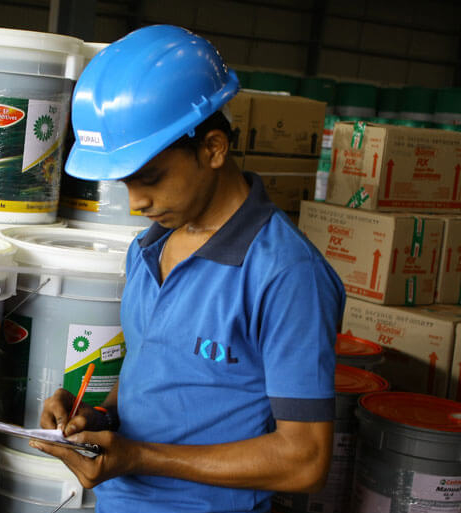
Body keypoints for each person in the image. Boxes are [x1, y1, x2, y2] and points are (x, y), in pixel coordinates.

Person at [29, 25, 346, 512]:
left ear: (213, 148)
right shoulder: (146, 249)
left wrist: (138, 457)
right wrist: (93, 417)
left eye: (150, 178)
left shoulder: (286, 275)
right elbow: (159, 377)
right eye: (124, 184)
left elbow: (305, 460)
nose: (136, 203)